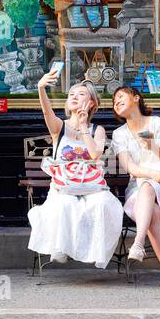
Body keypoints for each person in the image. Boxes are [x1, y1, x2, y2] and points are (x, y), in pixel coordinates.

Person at [27, 68, 124, 270]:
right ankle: (60, 247)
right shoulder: (59, 127)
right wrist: (41, 88)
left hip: (91, 186)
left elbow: (95, 154)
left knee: (103, 204)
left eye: (81, 94)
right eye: (71, 94)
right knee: (64, 205)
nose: (74, 97)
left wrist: (83, 127)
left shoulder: (97, 130)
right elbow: (47, 111)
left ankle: (94, 252)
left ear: (92, 104)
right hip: (64, 186)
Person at [110, 85, 160, 289]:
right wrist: (153, 175)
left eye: (120, 96)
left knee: (149, 188)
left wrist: (151, 146)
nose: (116, 102)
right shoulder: (119, 134)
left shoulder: (159, 124)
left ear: (136, 98)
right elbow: (131, 168)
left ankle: (138, 242)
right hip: (139, 188)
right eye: (114, 101)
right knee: (150, 202)